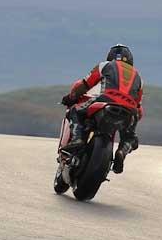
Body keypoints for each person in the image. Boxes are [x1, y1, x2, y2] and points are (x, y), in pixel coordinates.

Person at [60, 44, 144, 174]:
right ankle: (122, 151)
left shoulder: (105, 66)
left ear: (110, 57)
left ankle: (78, 138)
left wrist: (71, 97)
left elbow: (84, 85)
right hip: (129, 110)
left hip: (106, 101)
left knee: (75, 111)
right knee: (130, 137)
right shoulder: (139, 78)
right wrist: (135, 117)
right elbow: (139, 107)